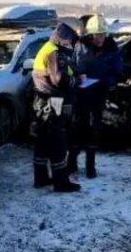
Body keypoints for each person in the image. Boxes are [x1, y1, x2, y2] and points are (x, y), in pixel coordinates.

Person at [70, 15, 123, 179]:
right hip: (80, 95)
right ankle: (72, 164)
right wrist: (78, 76)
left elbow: (117, 70)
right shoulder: (81, 47)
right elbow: (73, 66)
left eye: (103, 34)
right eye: (97, 35)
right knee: (77, 130)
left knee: (94, 131)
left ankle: (90, 166)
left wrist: (107, 81)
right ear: (90, 35)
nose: (100, 38)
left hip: (98, 94)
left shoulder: (112, 49)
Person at [32, 22, 81, 192]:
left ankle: (41, 178)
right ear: (61, 40)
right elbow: (58, 79)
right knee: (58, 141)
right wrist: (76, 81)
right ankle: (61, 183)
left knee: (43, 141)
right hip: (53, 102)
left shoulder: (46, 47)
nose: (69, 47)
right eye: (67, 43)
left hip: (41, 100)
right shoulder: (53, 52)